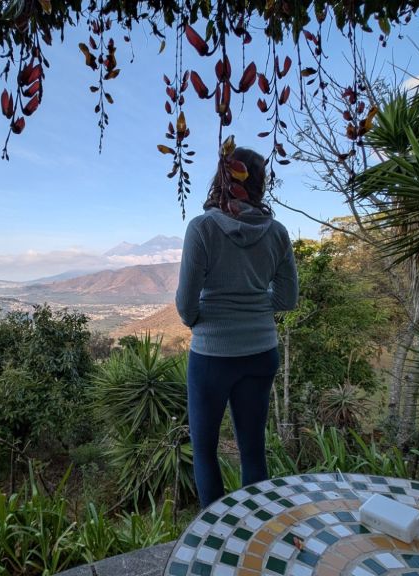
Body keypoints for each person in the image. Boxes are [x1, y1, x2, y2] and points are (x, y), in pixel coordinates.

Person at [175, 145, 298, 509]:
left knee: (204, 451)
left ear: (222, 177)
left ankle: (213, 535)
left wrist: (202, 323)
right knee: (253, 450)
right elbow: (287, 298)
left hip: (211, 356)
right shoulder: (277, 233)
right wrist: (254, 309)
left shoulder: (202, 229)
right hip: (261, 352)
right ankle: (257, 531)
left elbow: (186, 304)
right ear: (260, 183)